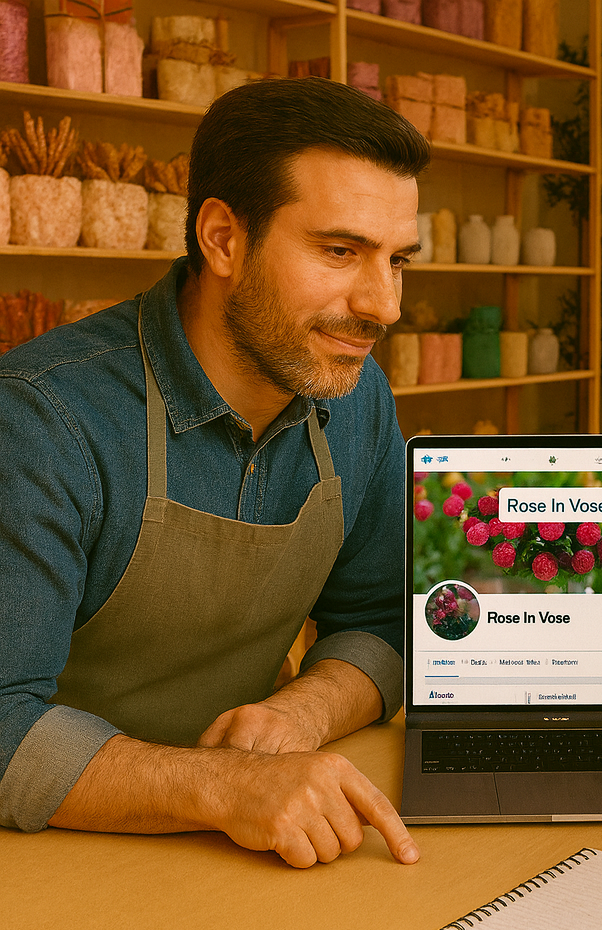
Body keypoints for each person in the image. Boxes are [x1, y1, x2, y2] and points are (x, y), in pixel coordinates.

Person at [0, 77, 430, 869]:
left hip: (248, 850)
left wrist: (305, 708)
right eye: (340, 251)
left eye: (396, 259)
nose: (383, 304)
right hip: (48, 866)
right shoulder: (42, 420)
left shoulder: (357, 396)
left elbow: (386, 623)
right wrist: (222, 786)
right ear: (224, 239)